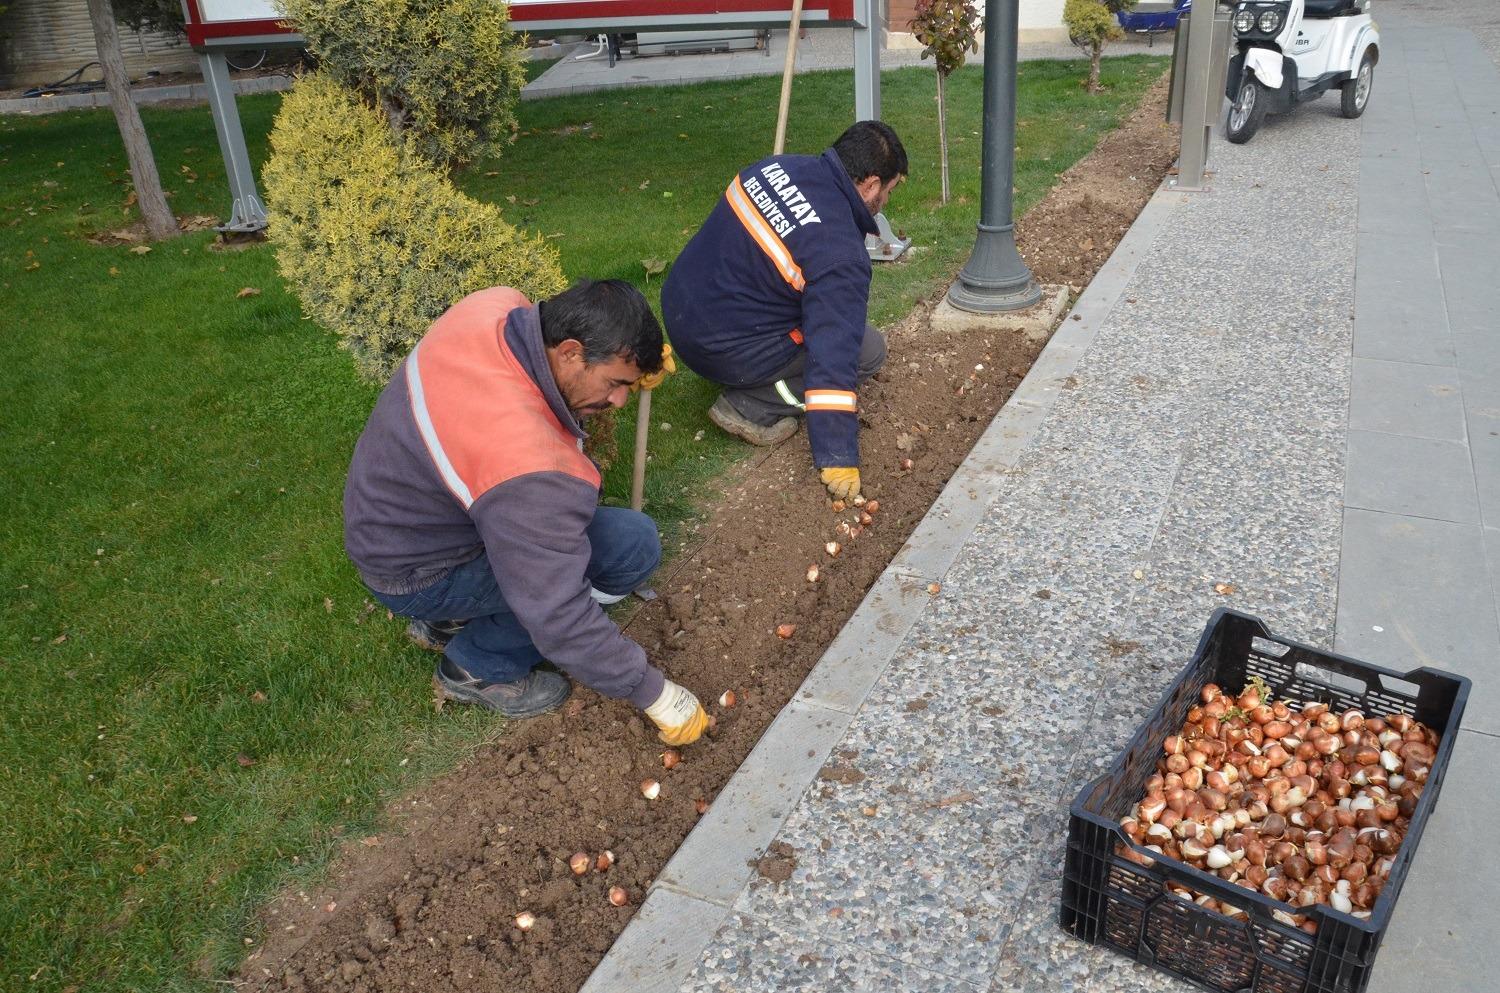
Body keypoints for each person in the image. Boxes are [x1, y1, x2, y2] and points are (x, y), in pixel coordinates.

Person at [342, 280, 708, 746]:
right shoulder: (526, 464)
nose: (620, 400)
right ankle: (477, 665)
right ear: (570, 352)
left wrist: (634, 367)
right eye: (616, 384)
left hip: (400, 524)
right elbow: (556, 610)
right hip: (420, 573)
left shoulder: (493, 308)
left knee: (614, 541)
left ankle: (447, 621)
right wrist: (653, 693)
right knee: (627, 551)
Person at [661, 120, 908, 502]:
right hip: (720, 348)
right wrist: (837, 456)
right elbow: (833, 356)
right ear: (871, 184)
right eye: (889, 191)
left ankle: (746, 373)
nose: (886, 202)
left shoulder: (774, 168)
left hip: (679, 306)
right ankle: (751, 405)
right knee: (867, 351)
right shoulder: (839, 253)